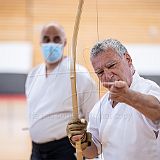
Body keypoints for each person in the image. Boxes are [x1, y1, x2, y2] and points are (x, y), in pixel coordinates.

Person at [67, 38, 160, 160]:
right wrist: (82, 140)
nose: (107, 75)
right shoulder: (100, 107)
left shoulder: (148, 88)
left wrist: (128, 96)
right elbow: (93, 152)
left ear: (128, 59)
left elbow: (157, 112)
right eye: (100, 72)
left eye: (111, 65)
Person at [25, 22, 98, 160]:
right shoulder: (33, 75)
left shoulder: (78, 74)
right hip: (36, 151)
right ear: (40, 43)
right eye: (46, 39)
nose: (51, 43)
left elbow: (93, 118)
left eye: (56, 39)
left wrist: (89, 153)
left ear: (64, 42)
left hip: (66, 150)